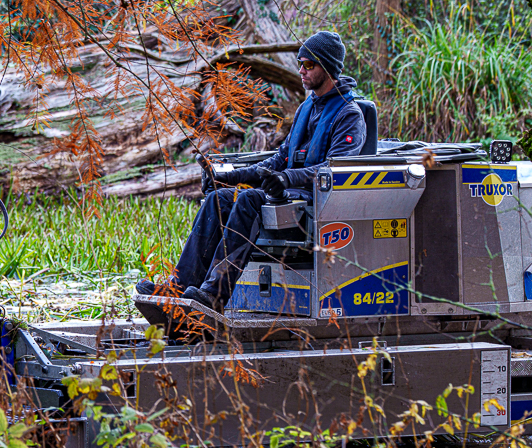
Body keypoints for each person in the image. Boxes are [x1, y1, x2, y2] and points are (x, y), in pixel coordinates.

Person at [137, 30, 368, 310]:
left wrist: (285, 178)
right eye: (300, 63)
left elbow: (336, 169)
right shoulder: (307, 108)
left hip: (315, 205)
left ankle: (214, 294)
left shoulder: (349, 115)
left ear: (328, 67)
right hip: (286, 196)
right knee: (219, 199)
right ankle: (177, 287)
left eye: (309, 64)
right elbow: (279, 159)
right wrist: (227, 177)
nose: (301, 70)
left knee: (249, 200)